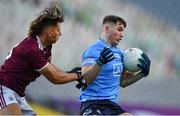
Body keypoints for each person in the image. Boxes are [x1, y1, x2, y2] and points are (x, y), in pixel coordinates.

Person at [0, 5, 82, 115]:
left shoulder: (46, 46)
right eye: (58, 30)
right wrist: (77, 76)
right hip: (5, 87)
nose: (60, 34)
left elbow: (50, 68)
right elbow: (55, 78)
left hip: (18, 92)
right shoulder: (33, 49)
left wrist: (69, 73)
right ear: (50, 31)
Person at [79, 15, 151, 115]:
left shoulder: (120, 54)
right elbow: (85, 80)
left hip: (111, 106)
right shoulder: (93, 50)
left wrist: (142, 74)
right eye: (119, 29)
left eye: (123, 31)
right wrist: (99, 63)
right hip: (92, 104)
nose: (122, 35)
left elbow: (123, 82)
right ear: (107, 29)